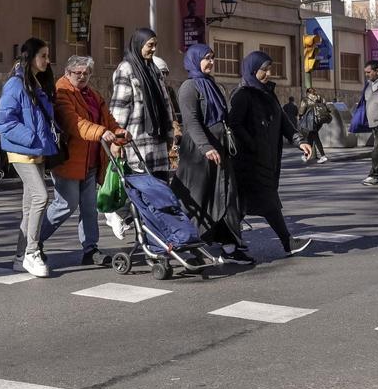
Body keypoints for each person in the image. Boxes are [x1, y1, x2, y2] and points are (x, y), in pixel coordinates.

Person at [227, 51, 314, 256]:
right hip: (249, 162)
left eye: (269, 69)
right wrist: (253, 144)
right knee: (268, 202)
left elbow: (283, 120)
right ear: (252, 70)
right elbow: (234, 124)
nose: (268, 73)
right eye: (263, 70)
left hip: (267, 158)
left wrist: (299, 141)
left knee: (241, 205)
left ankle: (228, 243)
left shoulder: (267, 92)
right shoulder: (243, 94)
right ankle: (287, 242)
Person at [43, 55, 125, 267]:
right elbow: (73, 123)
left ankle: (91, 248)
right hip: (69, 160)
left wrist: (118, 132)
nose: (82, 77)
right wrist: (101, 132)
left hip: (91, 161)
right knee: (65, 205)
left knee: (89, 207)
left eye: (86, 73)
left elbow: (108, 119)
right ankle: (32, 241)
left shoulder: (93, 95)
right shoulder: (62, 92)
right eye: (77, 73)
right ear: (67, 73)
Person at [172, 44, 250, 264]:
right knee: (198, 199)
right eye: (206, 58)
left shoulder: (212, 84)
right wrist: (206, 148)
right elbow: (192, 122)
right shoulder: (189, 87)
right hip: (198, 156)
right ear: (195, 60)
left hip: (220, 151)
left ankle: (230, 246)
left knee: (228, 197)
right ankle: (189, 246)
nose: (211, 62)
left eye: (212, 58)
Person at [0, 37, 58, 278]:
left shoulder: (35, 83)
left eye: (48, 55)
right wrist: (31, 138)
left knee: (30, 204)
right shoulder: (16, 84)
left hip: (36, 150)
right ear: (31, 57)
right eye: (43, 55)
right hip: (22, 150)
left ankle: (20, 257)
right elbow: (2, 121)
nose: (47, 60)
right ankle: (32, 252)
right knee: (41, 197)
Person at [106, 28, 174, 239]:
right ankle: (150, 240)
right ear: (138, 44)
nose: (153, 49)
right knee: (145, 195)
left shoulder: (153, 67)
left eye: (155, 45)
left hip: (158, 143)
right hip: (138, 144)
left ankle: (160, 239)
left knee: (161, 194)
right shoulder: (126, 69)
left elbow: (166, 104)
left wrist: (171, 134)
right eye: (149, 45)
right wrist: (117, 140)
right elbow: (119, 108)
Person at [298, 88, 330, 163]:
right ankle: (306, 155)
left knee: (315, 137)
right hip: (319, 121)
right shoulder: (320, 98)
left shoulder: (306, 100)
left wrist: (299, 116)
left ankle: (323, 156)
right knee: (311, 137)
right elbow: (326, 108)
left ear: (308, 93)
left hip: (311, 121)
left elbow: (302, 111)